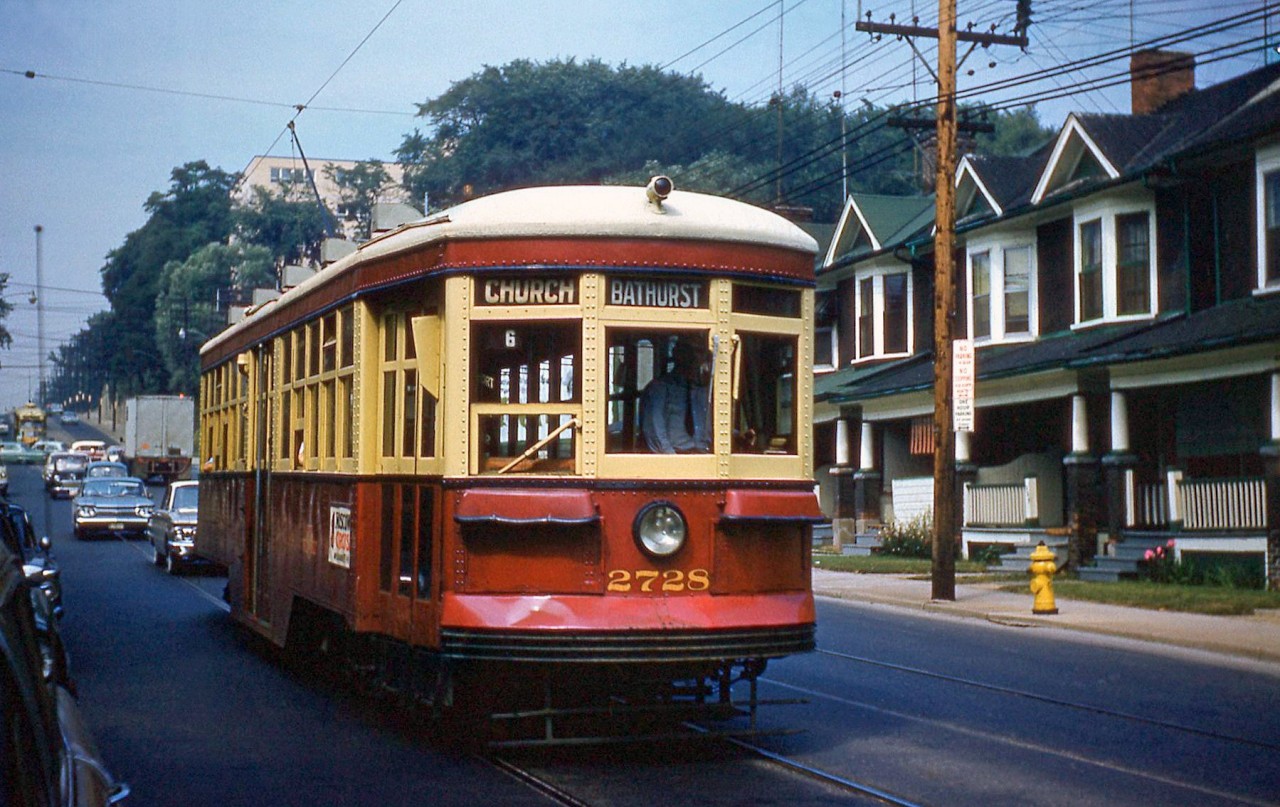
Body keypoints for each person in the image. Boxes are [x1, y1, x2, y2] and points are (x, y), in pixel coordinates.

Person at [640, 339, 711, 453]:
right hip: (675, 458)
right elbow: (655, 431)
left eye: (700, 352)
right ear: (677, 354)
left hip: (705, 457)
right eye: (690, 352)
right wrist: (674, 461)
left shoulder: (703, 391)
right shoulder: (659, 388)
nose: (695, 358)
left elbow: (711, 428)